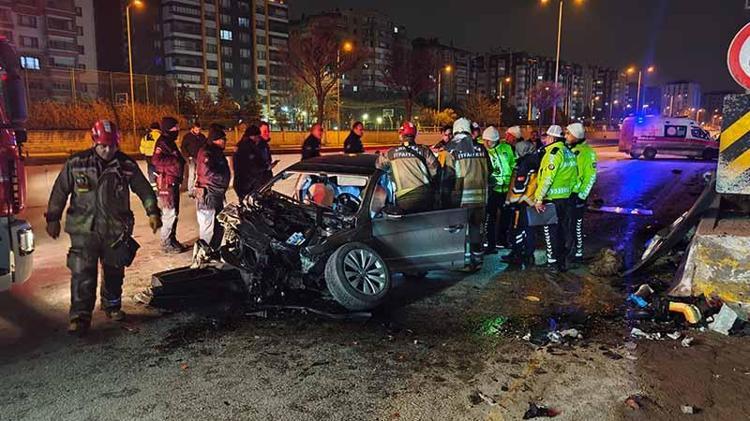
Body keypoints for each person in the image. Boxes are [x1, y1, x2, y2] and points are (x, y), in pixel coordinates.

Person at [45, 120, 162, 335]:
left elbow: (144, 189)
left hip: (115, 230)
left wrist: (152, 211)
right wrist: (53, 217)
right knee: (82, 273)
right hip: (84, 231)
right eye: (103, 146)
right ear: (94, 142)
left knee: (114, 270)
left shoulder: (125, 165)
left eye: (112, 146)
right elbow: (60, 191)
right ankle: (80, 316)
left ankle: (112, 305)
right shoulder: (77, 163)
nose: (108, 150)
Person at [442, 118, 489, 264]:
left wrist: (445, 198)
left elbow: (448, 176)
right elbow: (490, 170)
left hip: (462, 198)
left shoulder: (451, 149)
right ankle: (478, 257)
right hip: (481, 199)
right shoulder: (481, 149)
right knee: (476, 228)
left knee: (461, 231)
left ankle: (464, 260)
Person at [534, 125, 578, 273]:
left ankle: (552, 262)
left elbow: (547, 178)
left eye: (547, 136)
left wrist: (539, 199)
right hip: (566, 199)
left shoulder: (553, 154)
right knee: (563, 230)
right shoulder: (568, 152)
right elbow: (574, 177)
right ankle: (562, 261)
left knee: (551, 231)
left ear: (552, 138)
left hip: (552, 199)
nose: (545, 139)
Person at [376, 121, 440, 213]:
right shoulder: (424, 150)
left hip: (404, 197)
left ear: (402, 135)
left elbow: (378, 165)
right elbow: (435, 170)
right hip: (425, 195)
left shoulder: (391, 153)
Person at [152, 116, 187, 254]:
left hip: (172, 181)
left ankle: (172, 239)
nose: (177, 130)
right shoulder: (163, 142)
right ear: (167, 129)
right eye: (174, 127)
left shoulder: (169, 141)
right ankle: (166, 242)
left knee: (174, 212)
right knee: (169, 213)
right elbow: (156, 160)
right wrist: (175, 160)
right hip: (167, 182)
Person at [503, 140, 540, 268]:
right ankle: (527, 253)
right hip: (531, 200)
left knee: (518, 228)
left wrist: (511, 202)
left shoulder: (524, 164)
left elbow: (519, 186)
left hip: (522, 202)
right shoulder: (535, 161)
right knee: (529, 230)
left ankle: (518, 254)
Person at [195, 124, 231, 248]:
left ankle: (214, 250)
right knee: (208, 227)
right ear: (216, 140)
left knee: (218, 225)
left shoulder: (216, 152)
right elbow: (207, 172)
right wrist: (222, 178)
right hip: (209, 194)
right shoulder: (207, 152)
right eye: (223, 139)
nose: (225, 142)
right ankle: (205, 253)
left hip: (216, 193)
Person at [565, 122, 597, 262]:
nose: (565, 136)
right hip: (566, 194)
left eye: (568, 133)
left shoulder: (587, 152)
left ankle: (578, 252)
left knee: (576, 225)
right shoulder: (570, 149)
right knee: (567, 224)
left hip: (577, 195)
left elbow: (591, 176)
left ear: (576, 135)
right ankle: (568, 248)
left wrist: (582, 196)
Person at [484, 126, 515, 253]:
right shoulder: (484, 151)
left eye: (490, 141)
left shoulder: (506, 148)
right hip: (492, 189)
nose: (487, 143)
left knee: (506, 217)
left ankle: (502, 241)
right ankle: (490, 244)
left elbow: (513, 165)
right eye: (486, 140)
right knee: (490, 218)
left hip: (506, 189)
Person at [233, 124, 276, 200]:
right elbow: (251, 166)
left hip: (254, 182)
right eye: (264, 131)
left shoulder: (256, 145)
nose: (258, 138)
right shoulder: (246, 147)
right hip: (248, 184)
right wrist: (266, 167)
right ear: (253, 136)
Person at [180, 122, 207, 198]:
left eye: (199, 130)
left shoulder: (202, 137)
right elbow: (183, 147)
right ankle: (190, 191)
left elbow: (205, 146)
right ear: (192, 129)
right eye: (196, 130)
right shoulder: (187, 137)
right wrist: (188, 156)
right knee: (192, 174)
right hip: (191, 158)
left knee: (199, 174)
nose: (198, 131)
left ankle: (198, 189)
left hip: (200, 158)